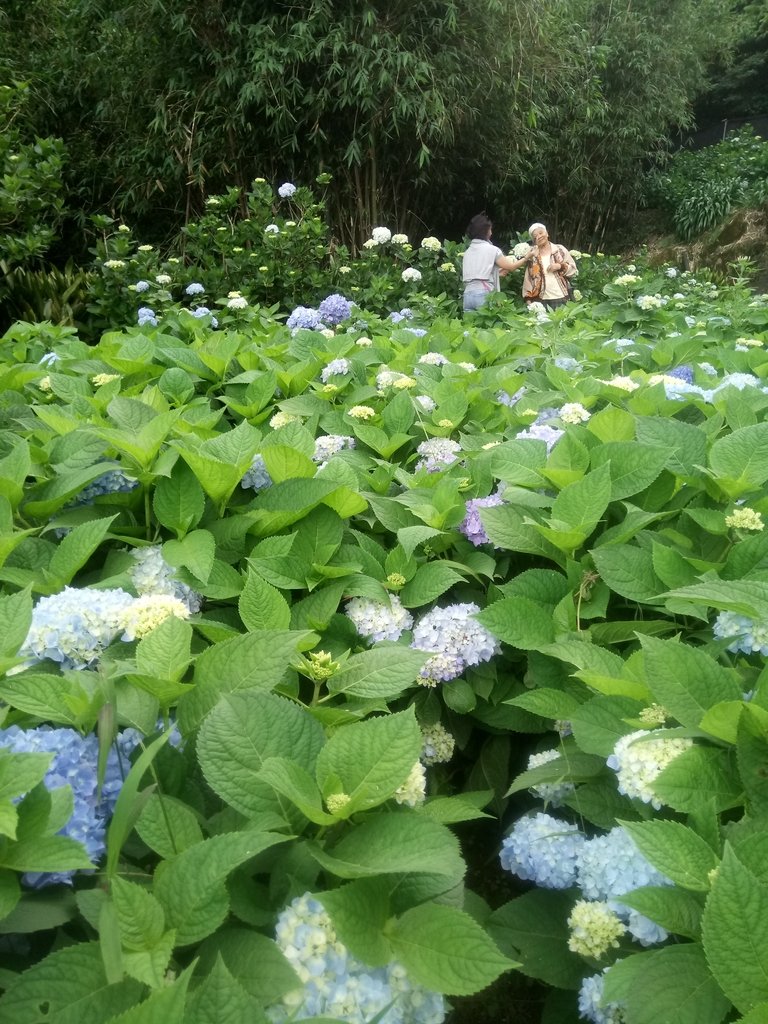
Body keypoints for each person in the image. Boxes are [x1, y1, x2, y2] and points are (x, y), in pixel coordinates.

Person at [462, 213, 531, 312]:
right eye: (490, 229)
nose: (491, 232)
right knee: (487, 326)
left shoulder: (467, 252)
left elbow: (477, 276)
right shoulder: (492, 250)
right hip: (483, 294)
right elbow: (511, 267)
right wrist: (526, 258)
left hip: (468, 295)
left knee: (470, 326)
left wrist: (497, 274)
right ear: (485, 231)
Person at [522, 222, 578, 310]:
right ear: (534, 240)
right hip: (540, 301)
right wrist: (528, 301)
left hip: (561, 297)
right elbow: (528, 279)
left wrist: (560, 266)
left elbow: (573, 269)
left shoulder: (560, 250)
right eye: (535, 236)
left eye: (541, 233)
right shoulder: (532, 256)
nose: (539, 236)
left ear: (547, 233)